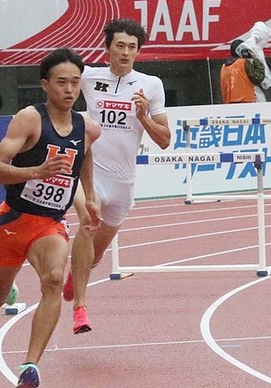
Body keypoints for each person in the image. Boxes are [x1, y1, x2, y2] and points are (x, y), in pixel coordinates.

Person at [0, 47, 101, 387]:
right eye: (62, 82)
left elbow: (85, 157)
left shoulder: (87, 128)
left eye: (75, 83)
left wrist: (89, 197)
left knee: (52, 280)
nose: (69, 90)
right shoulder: (29, 119)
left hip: (50, 223)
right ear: (45, 85)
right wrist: (37, 171)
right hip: (14, 220)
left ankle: (30, 366)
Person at [62, 19, 171, 334]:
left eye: (132, 47)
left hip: (123, 183)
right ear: (107, 47)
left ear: (138, 51)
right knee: (86, 222)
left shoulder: (151, 85)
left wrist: (143, 117)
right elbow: (60, 83)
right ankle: (81, 308)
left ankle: (76, 278)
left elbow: (165, 140)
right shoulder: (89, 77)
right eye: (120, 45)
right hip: (91, 175)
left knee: (94, 256)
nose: (125, 53)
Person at [220, 39, 266, 103]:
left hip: (229, 104)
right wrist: (256, 59)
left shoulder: (224, 66)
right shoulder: (243, 63)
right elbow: (258, 77)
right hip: (245, 101)